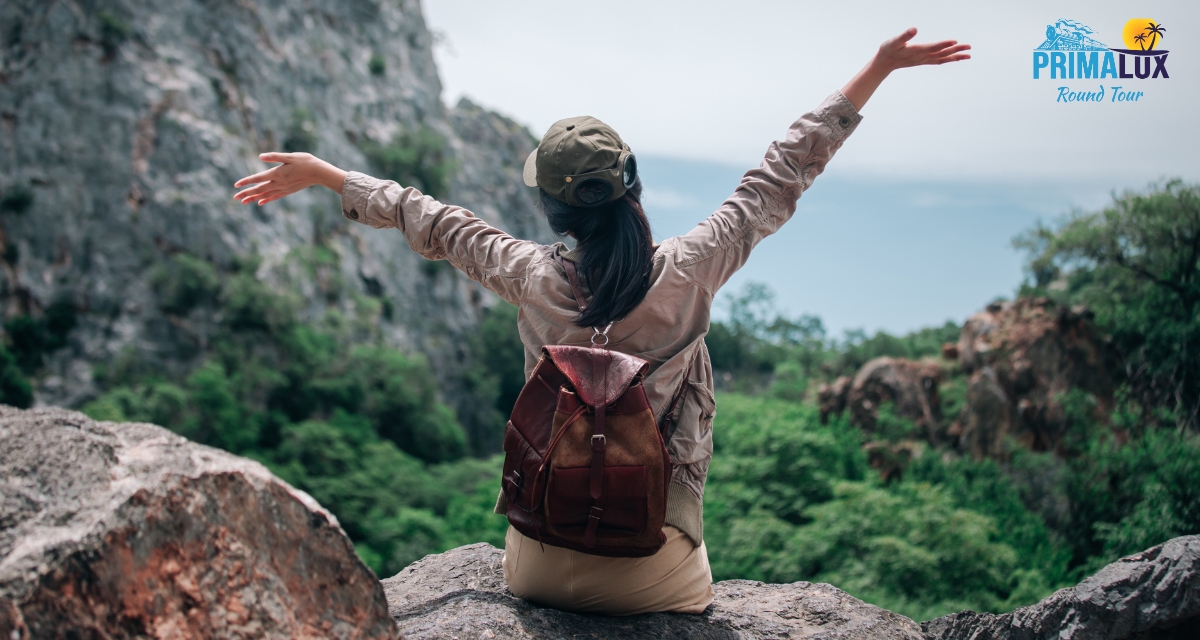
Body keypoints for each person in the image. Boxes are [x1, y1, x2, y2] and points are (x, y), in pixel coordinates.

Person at [233, 27, 969, 615]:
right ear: (633, 187)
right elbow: (778, 175)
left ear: (552, 210)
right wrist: (876, 68)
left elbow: (434, 221)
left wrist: (329, 175)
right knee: (695, 359)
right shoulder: (693, 267)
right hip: (657, 572)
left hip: (537, 567)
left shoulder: (527, 274)